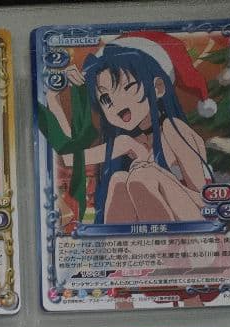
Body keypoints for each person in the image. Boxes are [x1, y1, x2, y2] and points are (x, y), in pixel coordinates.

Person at [45, 30, 216, 224]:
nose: (116, 104)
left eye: (127, 87)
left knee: (142, 175)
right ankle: (119, 240)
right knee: (118, 179)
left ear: (158, 88)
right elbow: (70, 158)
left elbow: (205, 203)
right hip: (148, 236)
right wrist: (53, 98)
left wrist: (154, 174)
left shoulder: (173, 129)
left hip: (195, 228)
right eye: (106, 98)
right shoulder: (126, 143)